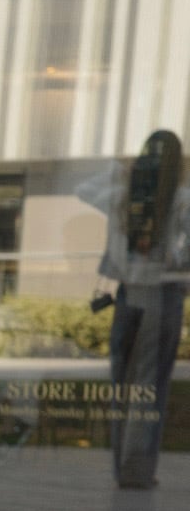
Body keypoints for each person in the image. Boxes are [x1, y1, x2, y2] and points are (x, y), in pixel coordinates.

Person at [77, 132, 190, 489]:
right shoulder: (181, 199)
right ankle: (137, 470)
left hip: (128, 298)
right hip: (162, 298)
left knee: (123, 387)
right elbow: (184, 256)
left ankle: (123, 468)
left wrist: (120, 171)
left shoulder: (123, 195)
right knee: (149, 389)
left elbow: (83, 189)